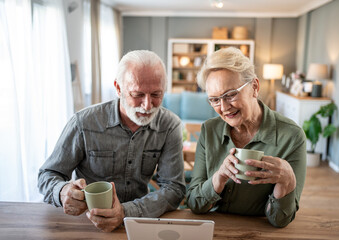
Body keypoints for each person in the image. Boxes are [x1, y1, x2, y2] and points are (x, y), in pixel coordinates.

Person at [38, 50, 186, 232]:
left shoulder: (169, 125)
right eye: (137, 94)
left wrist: (125, 211)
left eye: (156, 95)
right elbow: (47, 175)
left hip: (139, 221)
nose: (147, 105)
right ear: (118, 88)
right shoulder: (84, 122)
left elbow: (174, 188)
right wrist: (62, 192)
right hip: (88, 223)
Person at [186, 47, 306, 228]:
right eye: (215, 99)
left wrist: (287, 179)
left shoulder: (291, 137)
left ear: (254, 87)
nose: (224, 107)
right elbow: (194, 202)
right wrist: (219, 177)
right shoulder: (209, 130)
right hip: (214, 229)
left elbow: (280, 220)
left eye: (231, 94)